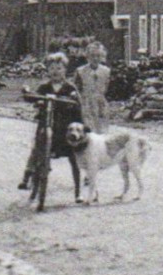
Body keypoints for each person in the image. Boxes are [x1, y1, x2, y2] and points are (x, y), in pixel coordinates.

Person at [19, 52, 83, 200]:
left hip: (65, 131)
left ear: (65, 70)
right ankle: (28, 177)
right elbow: (33, 98)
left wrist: (74, 99)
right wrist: (32, 97)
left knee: (74, 157)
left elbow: (78, 106)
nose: (55, 71)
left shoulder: (69, 87)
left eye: (59, 68)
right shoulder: (44, 87)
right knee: (37, 149)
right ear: (47, 70)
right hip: (47, 126)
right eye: (52, 68)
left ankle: (78, 191)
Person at [74, 41, 112, 134]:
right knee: (88, 129)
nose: (95, 58)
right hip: (86, 103)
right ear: (87, 56)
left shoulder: (106, 71)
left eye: (98, 56)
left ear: (102, 56)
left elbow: (107, 86)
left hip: (100, 103)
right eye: (92, 56)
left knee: (101, 130)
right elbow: (76, 88)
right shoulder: (80, 71)